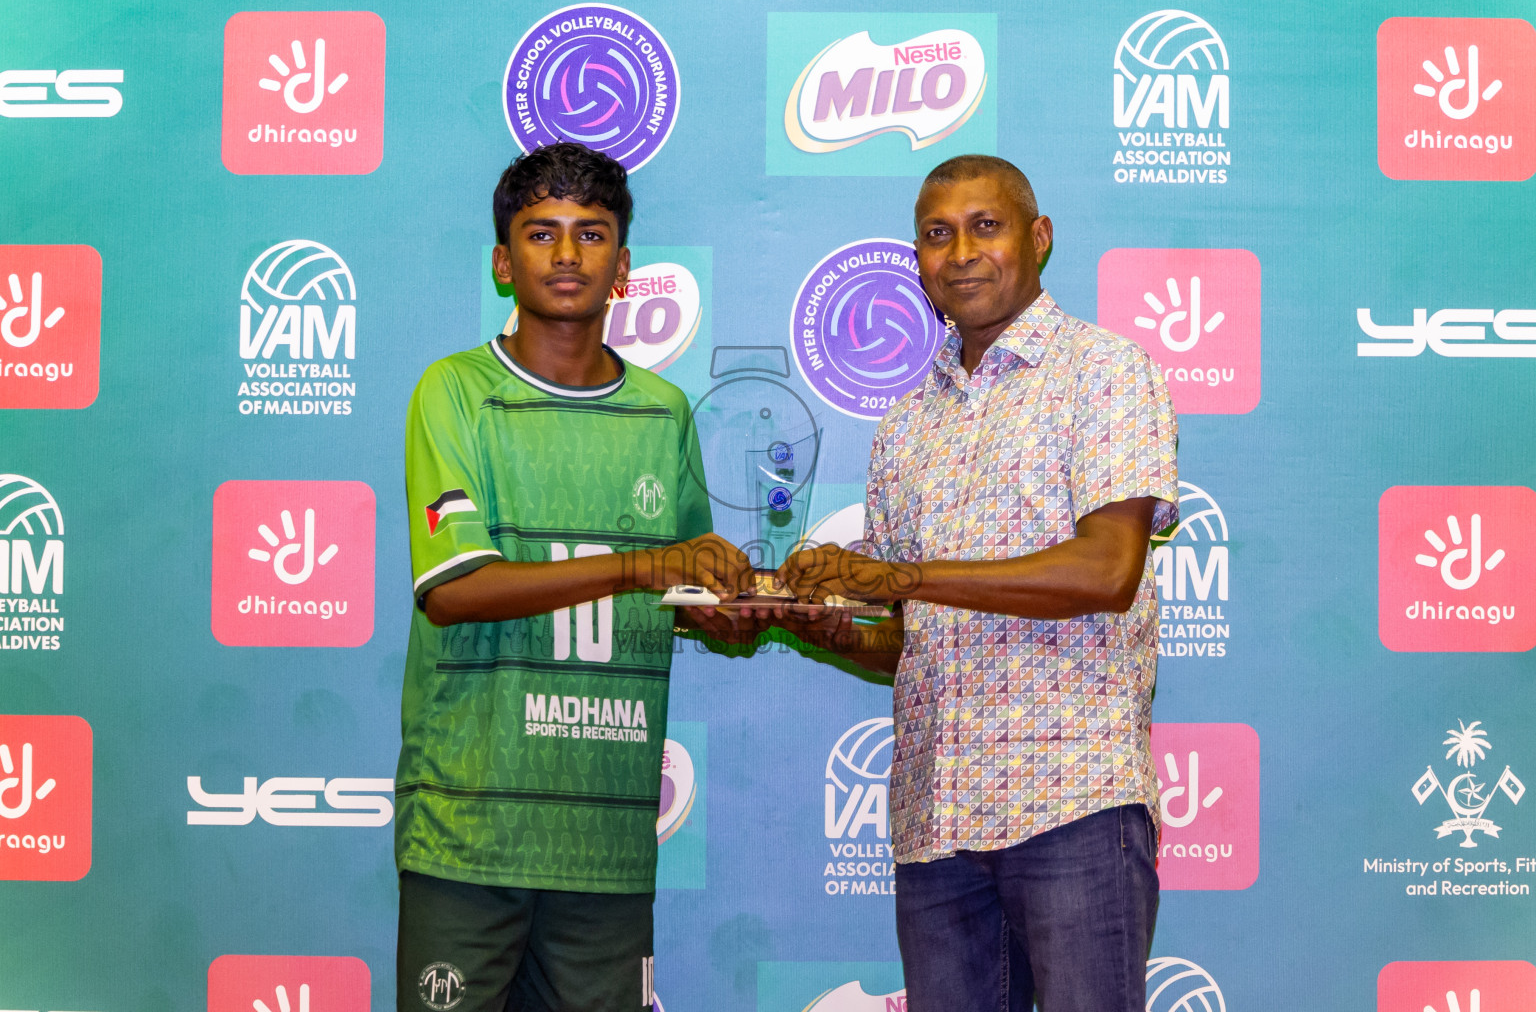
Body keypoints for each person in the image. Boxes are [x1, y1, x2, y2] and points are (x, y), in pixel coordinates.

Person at [773, 155, 1179, 1012]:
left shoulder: (1106, 373)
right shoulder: (904, 425)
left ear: (1039, 239)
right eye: (936, 234)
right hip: (937, 824)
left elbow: (1107, 569)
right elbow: (909, 637)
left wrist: (903, 576)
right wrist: (811, 619)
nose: (960, 251)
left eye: (984, 226)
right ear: (916, 259)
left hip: (1073, 803)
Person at [395, 142, 751, 1012]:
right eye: (540, 233)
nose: (565, 254)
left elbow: (685, 586)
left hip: (606, 835)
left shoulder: (664, 412)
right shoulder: (455, 392)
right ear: (501, 261)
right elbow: (455, 590)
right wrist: (642, 564)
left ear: (622, 266)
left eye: (590, 234)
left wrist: (737, 609)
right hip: (468, 829)